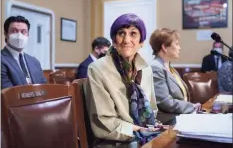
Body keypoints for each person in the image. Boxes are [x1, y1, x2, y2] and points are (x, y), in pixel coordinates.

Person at [85, 14, 162, 147]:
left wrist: (153, 127)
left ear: (141, 42)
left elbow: (152, 109)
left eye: (133, 34)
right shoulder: (97, 69)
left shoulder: (146, 69)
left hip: (145, 136)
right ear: (114, 40)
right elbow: (105, 122)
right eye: (121, 33)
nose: (127, 40)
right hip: (114, 142)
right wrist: (140, 131)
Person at [149, 28, 201, 125]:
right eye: (176, 44)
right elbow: (165, 102)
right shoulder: (156, 68)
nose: (179, 48)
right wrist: (191, 107)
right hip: (168, 122)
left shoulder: (169, 67)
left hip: (180, 116)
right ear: (164, 47)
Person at [1, 16, 47, 90]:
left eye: (23, 32)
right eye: (14, 31)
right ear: (6, 34)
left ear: (28, 35)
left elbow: (45, 88)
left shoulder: (34, 62)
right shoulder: (2, 59)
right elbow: (7, 94)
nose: (19, 35)